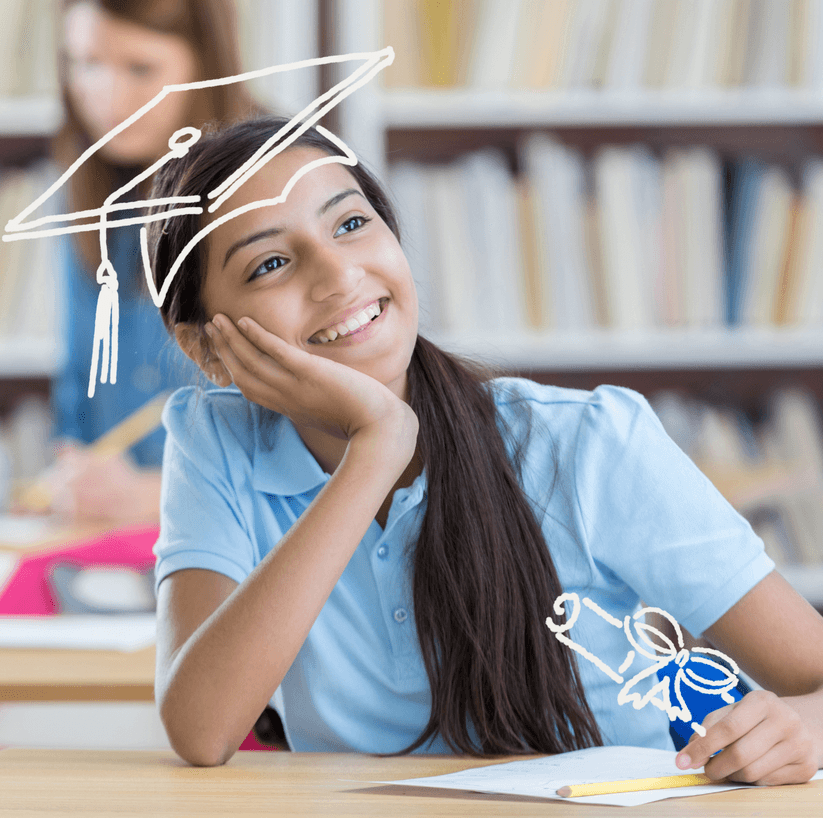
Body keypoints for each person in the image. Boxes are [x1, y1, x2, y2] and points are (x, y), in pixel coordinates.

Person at [147, 114, 823, 779]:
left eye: (351, 224)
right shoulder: (217, 441)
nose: (338, 276)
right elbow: (202, 730)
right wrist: (375, 450)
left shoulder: (586, 442)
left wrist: (800, 731)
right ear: (207, 347)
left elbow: (815, 679)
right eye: (271, 263)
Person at [45, 0, 259, 523]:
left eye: (140, 68)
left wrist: (155, 495)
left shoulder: (273, 183)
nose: (107, 97)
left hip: (242, 549)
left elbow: (320, 436)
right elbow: (79, 383)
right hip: (113, 549)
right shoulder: (85, 186)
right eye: (85, 63)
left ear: (207, 62)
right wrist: (73, 469)